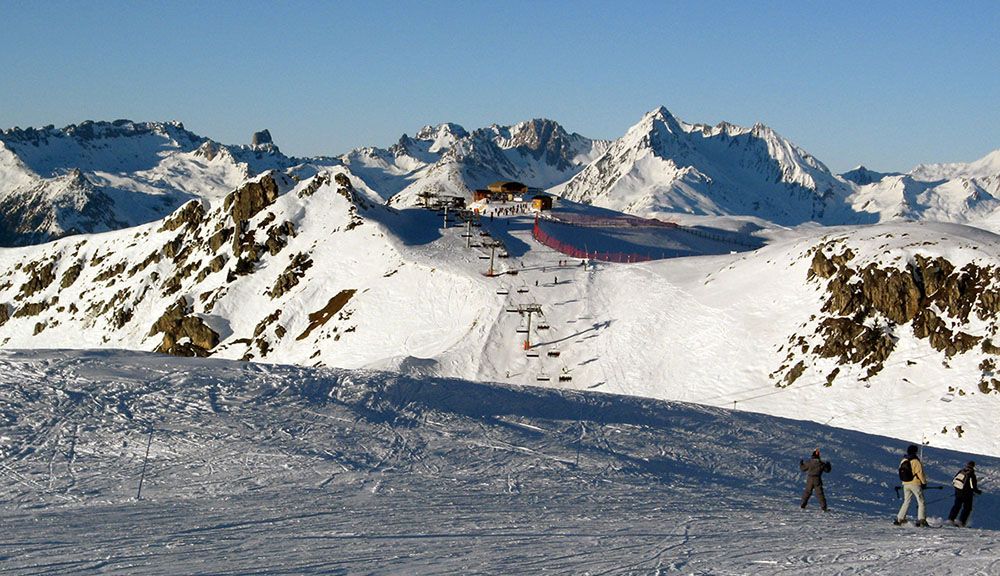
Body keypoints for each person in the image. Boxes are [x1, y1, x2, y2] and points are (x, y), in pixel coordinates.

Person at [895, 444, 929, 527]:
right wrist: (924, 483)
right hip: (915, 483)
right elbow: (920, 473)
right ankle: (921, 520)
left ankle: (900, 518)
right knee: (921, 501)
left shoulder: (903, 460)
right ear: (915, 451)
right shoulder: (915, 461)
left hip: (905, 483)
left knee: (906, 501)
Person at [948, 461, 982, 527]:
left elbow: (954, 481)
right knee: (967, 508)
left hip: (958, 491)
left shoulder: (961, 471)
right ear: (973, 466)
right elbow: (973, 486)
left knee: (957, 505)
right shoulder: (971, 474)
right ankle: (961, 522)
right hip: (967, 494)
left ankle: (950, 519)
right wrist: (978, 491)